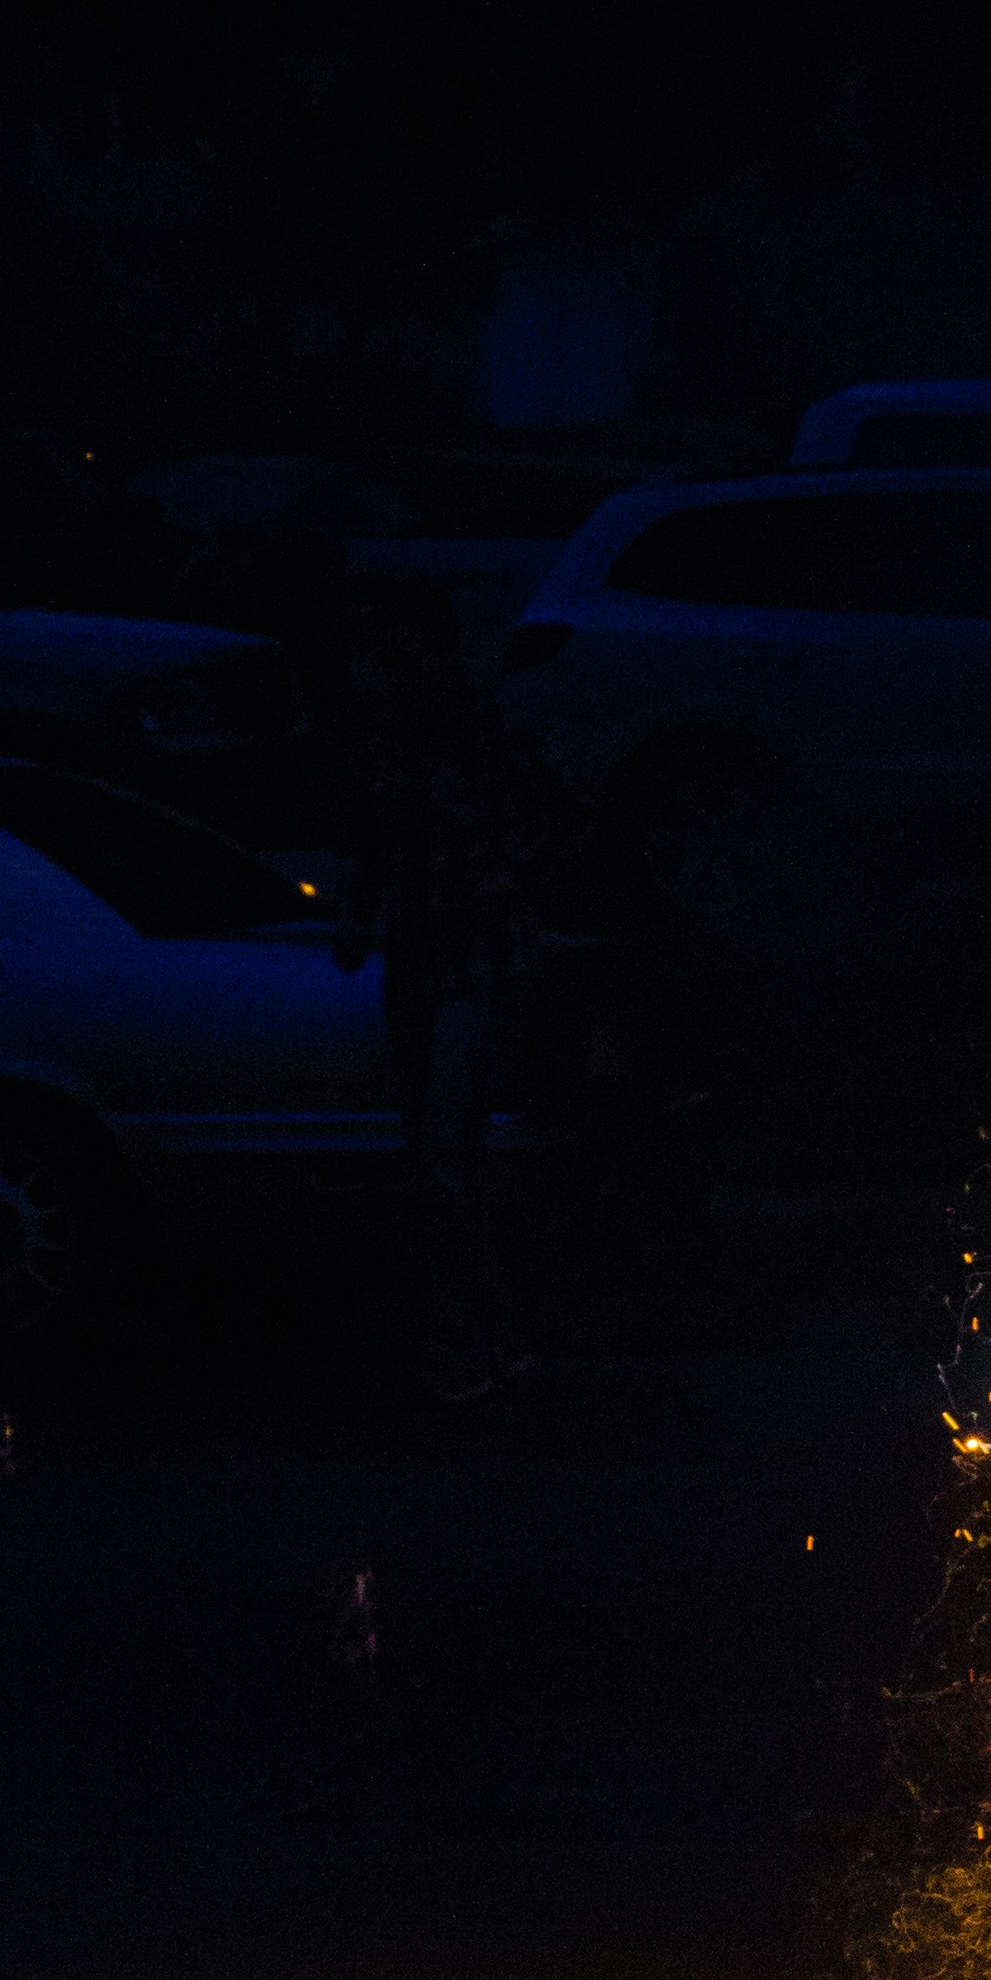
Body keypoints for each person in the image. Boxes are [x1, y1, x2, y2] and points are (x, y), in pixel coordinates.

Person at [335, 579, 571, 1404]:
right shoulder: (387, 737)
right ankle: (475, 1336)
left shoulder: (482, 734)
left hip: (481, 959)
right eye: (383, 665)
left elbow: (544, 831)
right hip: (423, 964)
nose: (393, 681)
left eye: (405, 663)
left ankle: (479, 1340)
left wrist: (493, 893)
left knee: (446, 1154)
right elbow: (372, 834)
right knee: (436, 1160)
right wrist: (359, 917)